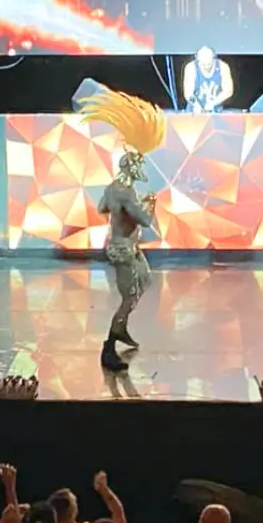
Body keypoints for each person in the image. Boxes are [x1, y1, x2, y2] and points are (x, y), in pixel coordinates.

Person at [80, 87, 167, 373]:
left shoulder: (113, 187)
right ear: (132, 168)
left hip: (128, 246)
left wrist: (121, 210)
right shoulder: (127, 192)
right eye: (140, 165)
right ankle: (109, 345)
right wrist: (149, 204)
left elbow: (102, 208)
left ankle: (122, 328)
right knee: (128, 296)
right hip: (122, 249)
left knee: (145, 281)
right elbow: (145, 220)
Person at [184, 47, 235, 113]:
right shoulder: (191, 67)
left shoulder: (222, 67)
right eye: (203, 64)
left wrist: (213, 103)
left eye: (209, 64)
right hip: (194, 111)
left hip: (216, 111)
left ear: (213, 58)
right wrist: (196, 105)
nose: (206, 67)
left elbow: (228, 91)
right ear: (198, 60)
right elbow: (188, 93)